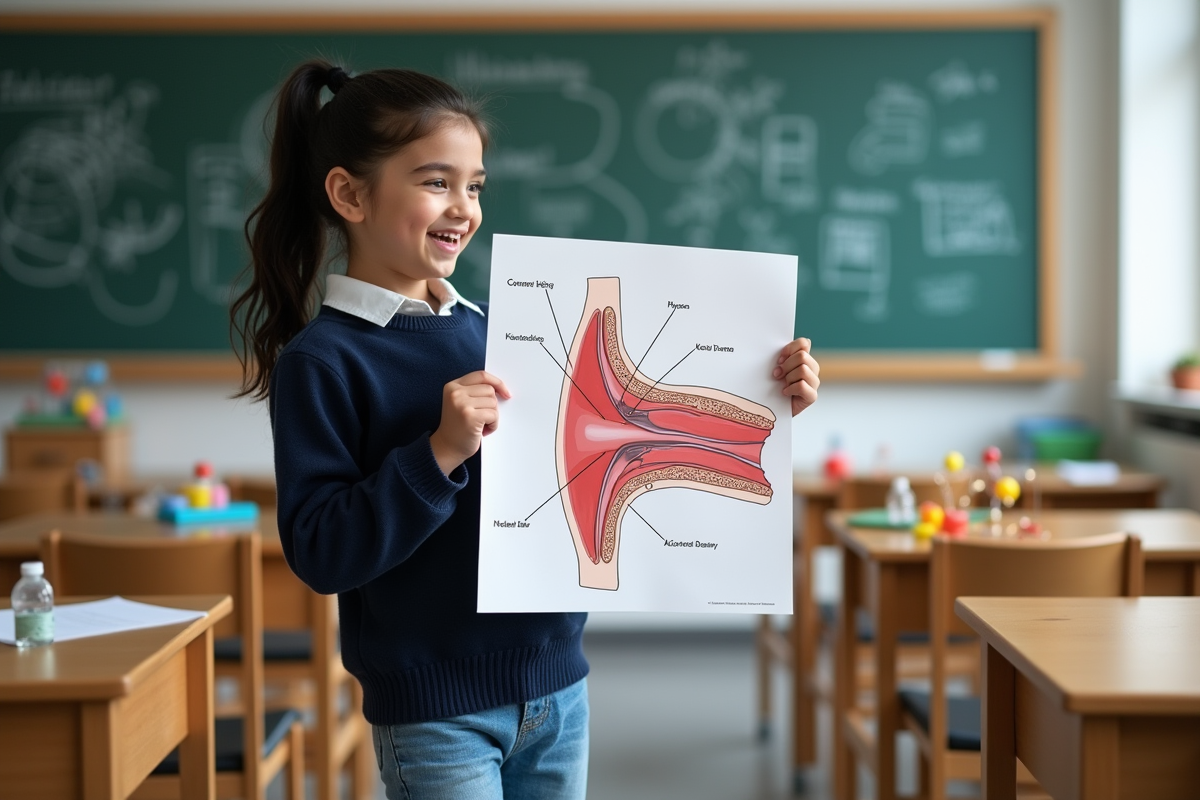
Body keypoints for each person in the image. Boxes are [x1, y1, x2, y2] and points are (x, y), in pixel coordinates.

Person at [231, 59, 821, 800]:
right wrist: (439, 452)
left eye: (474, 186)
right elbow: (321, 553)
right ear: (350, 193)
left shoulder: (500, 330)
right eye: (435, 181)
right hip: (436, 714)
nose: (463, 208)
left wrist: (763, 400)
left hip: (557, 688)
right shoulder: (322, 362)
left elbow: (608, 442)